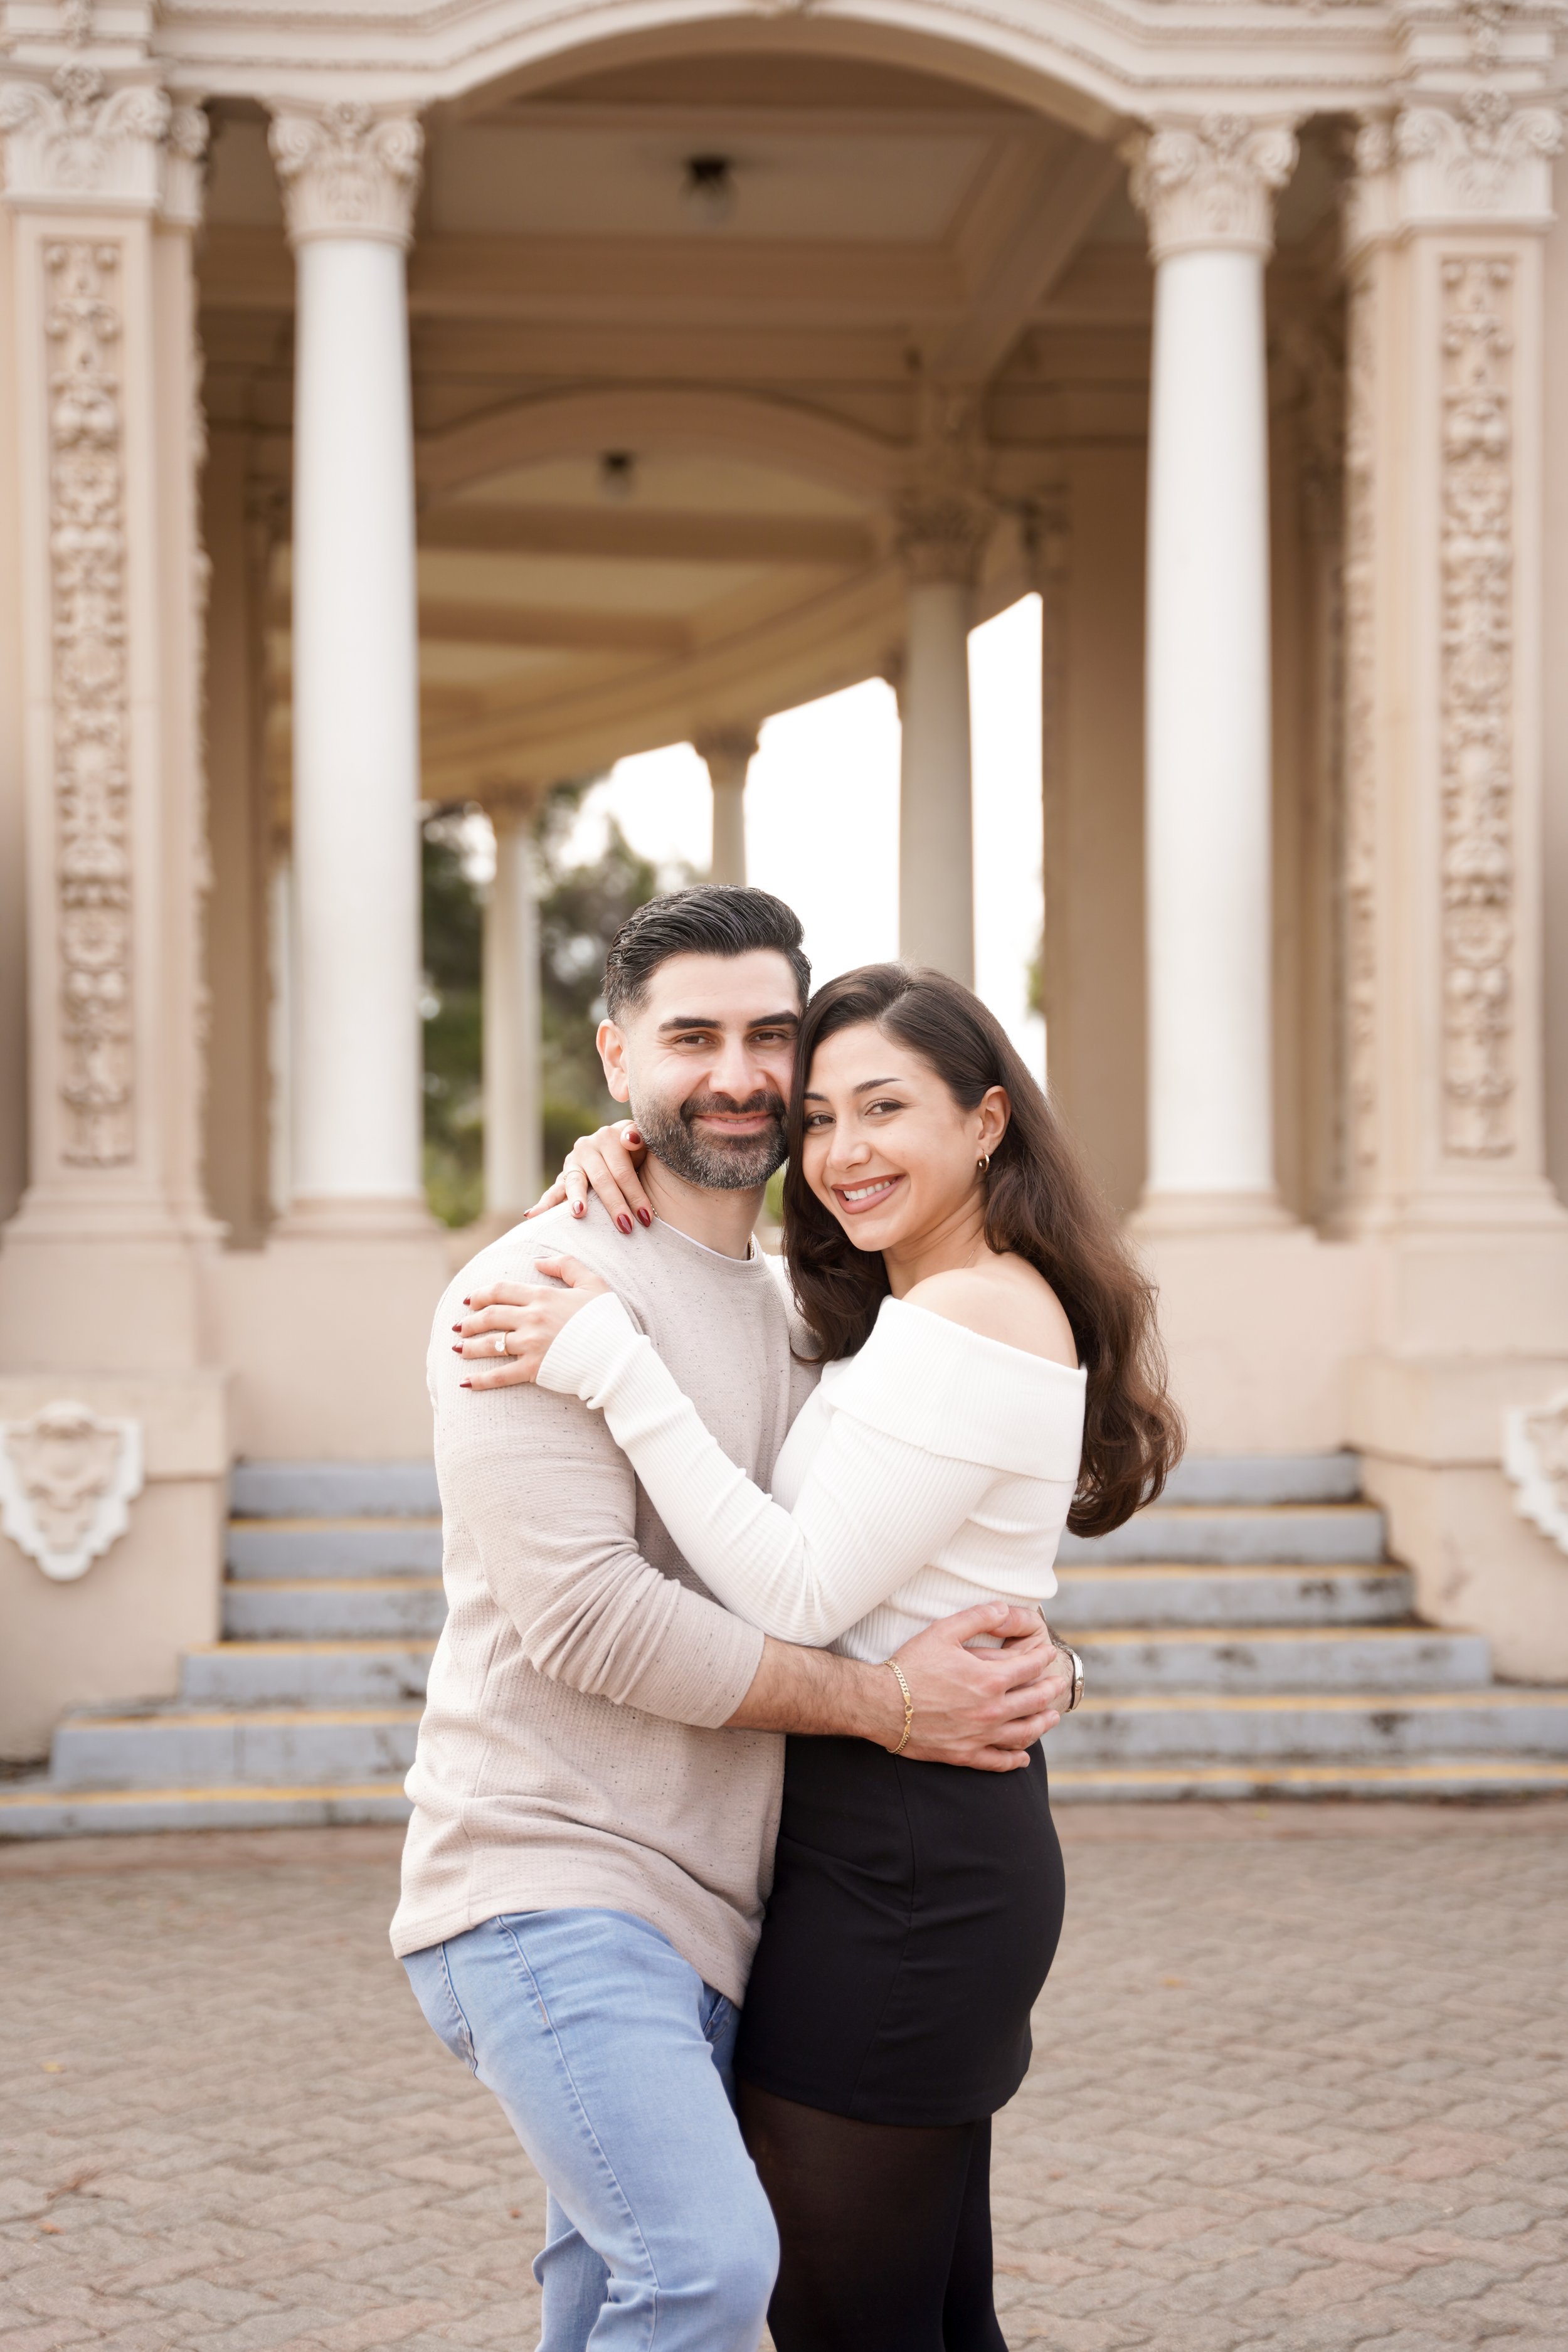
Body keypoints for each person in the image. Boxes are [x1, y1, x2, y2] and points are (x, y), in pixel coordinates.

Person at [460, 957, 1182, 2351]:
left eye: (884, 1111)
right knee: (912, 2312)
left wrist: (610, 1359)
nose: (844, 1154)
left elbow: (792, 1593)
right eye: (819, 1120)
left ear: (984, 1121)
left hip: (906, 1859)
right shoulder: (899, 1311)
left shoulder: (976, 1308)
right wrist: (630, 1159)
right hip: (870, 1827)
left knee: (845, 2315)